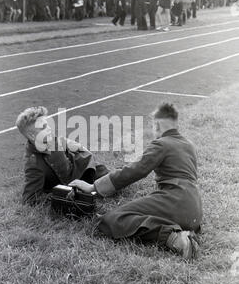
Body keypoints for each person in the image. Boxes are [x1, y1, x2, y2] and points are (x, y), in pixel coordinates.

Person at [70, 103, 202, 260]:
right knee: (147, 211)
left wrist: (94, 187)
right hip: (195, 212)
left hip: (176, 201)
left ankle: (176, 239)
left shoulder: (161, 143)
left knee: (112, 219)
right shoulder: (189, 144)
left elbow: (134, 171)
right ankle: (182, 231)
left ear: (157, 125)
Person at [16, 106, 108, 206]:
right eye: (43, 127)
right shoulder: (33, 162)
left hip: (82, 166)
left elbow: (64, 142)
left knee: (113, 179)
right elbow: (29, 199)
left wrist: (80, 148)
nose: (49, 128)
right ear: (32, 136)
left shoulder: (49, 139)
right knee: (95, 195)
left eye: (47, 125)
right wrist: (59, 196)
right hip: (73, 183)